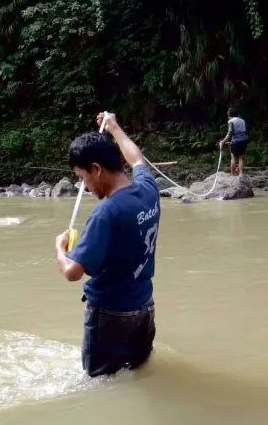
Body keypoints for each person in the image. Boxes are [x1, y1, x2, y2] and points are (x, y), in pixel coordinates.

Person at [55, 112, 160, 378]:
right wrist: (114, 127)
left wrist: (60, 249)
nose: (85, 185)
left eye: (83, 177)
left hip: (111, 316)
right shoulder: (148, 189)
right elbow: (136, 158)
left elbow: (72, 272)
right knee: (136, 376)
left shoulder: (107, 212)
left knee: (100, 383)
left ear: (96, 169)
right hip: (144, 308)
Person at [220, 108, 248, 176]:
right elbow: (243, 132)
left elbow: (230, 133)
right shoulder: (242, 121)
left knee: (233, 158)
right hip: (244, 141)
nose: (227, 117)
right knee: (240, 158)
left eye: (228, 115)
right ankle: (240, 174)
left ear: (229, 115)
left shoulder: (231, 121)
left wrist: (223, 142)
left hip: (236, 141)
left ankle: (232, 174)